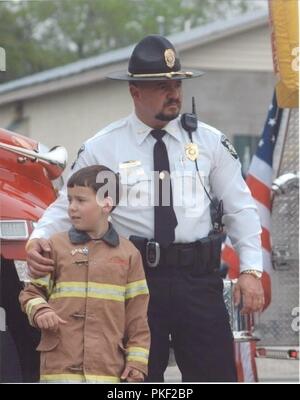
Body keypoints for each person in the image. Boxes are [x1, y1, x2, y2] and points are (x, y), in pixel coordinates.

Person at [26, 35, 265, 382]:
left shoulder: (209, 141)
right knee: (135, 379)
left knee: (214, 376)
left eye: (177, 83)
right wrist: (39, 240)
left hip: (198, 281)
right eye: (162, 85)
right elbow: (67, 206)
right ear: (135, 92)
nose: (174, 93)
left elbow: (240, 208)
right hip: (134, 281)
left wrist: (252, 271)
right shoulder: (103, 148)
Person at [20, 165, 150, 383]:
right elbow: (30, 293)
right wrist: (40, 311)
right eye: (70, 200)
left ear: (106, 204)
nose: (71, 208)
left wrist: (137, 363)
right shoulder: (53, 246)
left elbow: (137, 318)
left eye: (80, 200)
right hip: (59, 370)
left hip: (108, 371)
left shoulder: (129, 254)